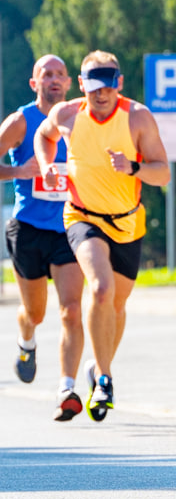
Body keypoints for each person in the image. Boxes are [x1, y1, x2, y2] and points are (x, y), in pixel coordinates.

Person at [34, 50, 170, 422]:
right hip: (82, 216)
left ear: (119, 83)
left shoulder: (138, 117)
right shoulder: (66, 114)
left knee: (116, 306)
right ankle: (106, 380)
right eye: (93, 86)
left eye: (108, 85)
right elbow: (43, 137)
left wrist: (134, 167)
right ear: (81, 85)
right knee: (100, 289)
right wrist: (47, 167)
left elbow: (163, 174)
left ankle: (99, 366)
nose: (101, 94)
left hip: (127, 222)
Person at [0, 55, 86, 421]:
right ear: (34, 83)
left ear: (69, 83)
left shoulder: (80, 117)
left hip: (70, 226)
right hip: (29, 228)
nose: (53, 80)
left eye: (59, 75)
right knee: (34, 312)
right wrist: (20, 169)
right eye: (45, 75)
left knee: (71, 309)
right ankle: (26, 341)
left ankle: (66, 388)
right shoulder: (21, 121)